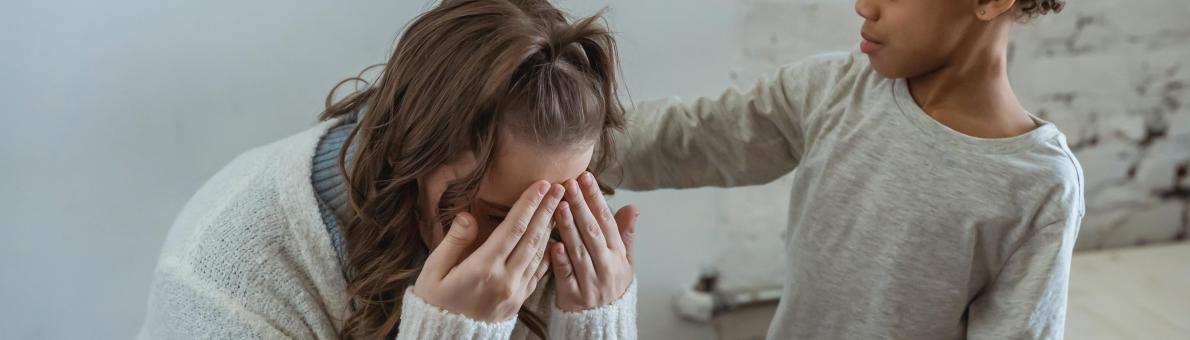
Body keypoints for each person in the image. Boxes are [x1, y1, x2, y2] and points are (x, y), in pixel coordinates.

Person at [139, 0, 637, 339]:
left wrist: (595, 323)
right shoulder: (225, 280)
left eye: (560, 209)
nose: (533, 248)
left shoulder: (569, 247)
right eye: (497, 215)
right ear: (406, 148)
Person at [603, 0, 1083, 338]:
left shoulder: (1036, 183)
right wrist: (562, 143)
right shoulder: (832, 89)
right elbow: (692, 137)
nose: (863, 6)